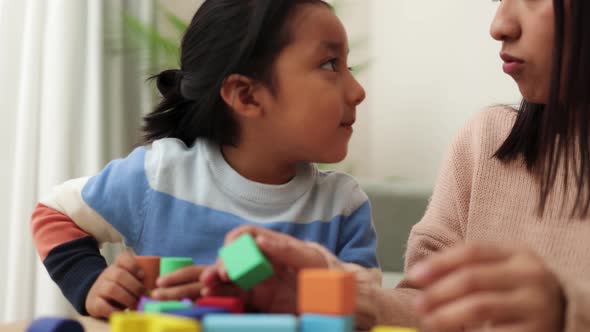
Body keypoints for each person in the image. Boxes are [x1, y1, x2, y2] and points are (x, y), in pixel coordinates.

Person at [200, 0, 590, 330]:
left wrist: (566, 313)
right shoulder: (486, 141)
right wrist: (345, 298)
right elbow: (425, 309)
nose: (499, 25)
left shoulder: (344, 201)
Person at [30, 0, 380, 319]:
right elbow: (53, 212)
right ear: (246, 96)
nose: (358, 90)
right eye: (331, 64)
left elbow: (365, 311)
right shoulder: (160, 177)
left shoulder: (342, 208)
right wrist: (90, 283)